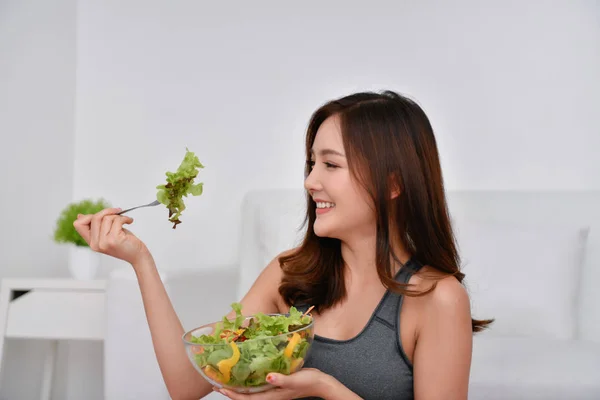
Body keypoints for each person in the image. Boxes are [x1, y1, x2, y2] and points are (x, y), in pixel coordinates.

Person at [74, 90, 492, 400]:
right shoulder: (289, 272)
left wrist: (326, 389)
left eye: (331, 164)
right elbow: (187, 384)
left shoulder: (437, 299)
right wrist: (140, 261)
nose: (311, 181)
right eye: (312, 163)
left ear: (394, 183)